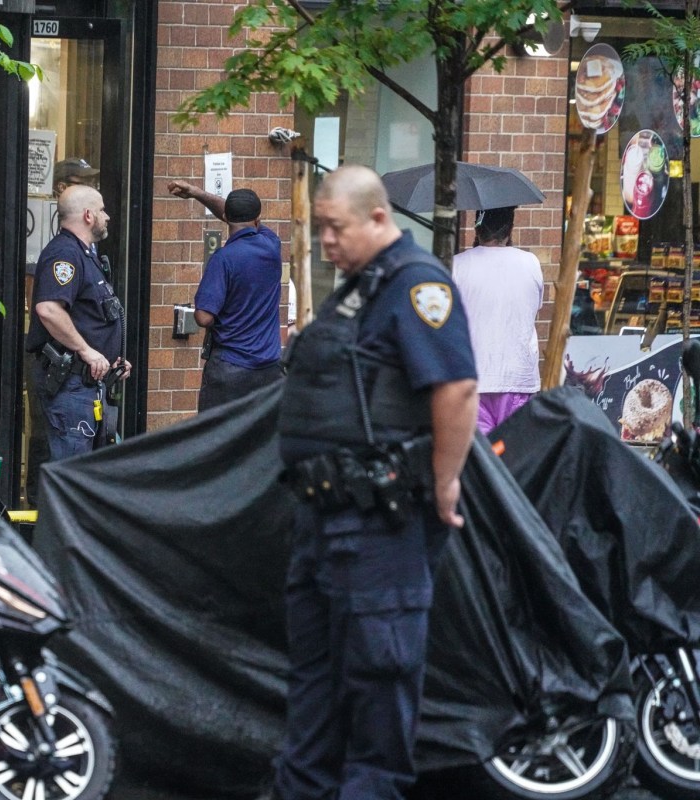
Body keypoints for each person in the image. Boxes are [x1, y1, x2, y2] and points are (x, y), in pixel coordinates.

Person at [268, 165, 478, 800]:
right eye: (321, 229)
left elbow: (457, 386)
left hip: (382, 528)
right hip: (325, 523)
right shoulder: (359, 289)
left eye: (336, 229)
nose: (326, 242)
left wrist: (445, 483)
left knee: (378, 695)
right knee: (314, 693)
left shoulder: (417, 285)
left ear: (379, 218)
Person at [26, 184, 130, 460]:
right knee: (73, 473)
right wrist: (86, 351)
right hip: (71, 386)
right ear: (88, 215)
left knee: (89, 473)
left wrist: (111, 360)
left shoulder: (85, 255)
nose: (107, 216)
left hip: (87, 387)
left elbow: (89, 317)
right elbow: (48, 309)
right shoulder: (65, 254)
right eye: (102, 210)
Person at [166, 181, 283, 411]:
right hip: (269, 370)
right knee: (258, 442)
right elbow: (232, 215)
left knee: (215, 439)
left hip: (230, 370)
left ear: (226, 218)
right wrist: (197, 193)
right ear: (258, 220)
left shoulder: (223, 259)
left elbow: (204, 318)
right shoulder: (272, 245)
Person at [452, 206, 543, 435]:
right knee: (513, 461)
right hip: (518, 378)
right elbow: (535, 310)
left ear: (477, 229)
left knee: (477, 463)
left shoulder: (456, 265)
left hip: (471, 380)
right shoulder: (530, 262)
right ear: (510, 229)